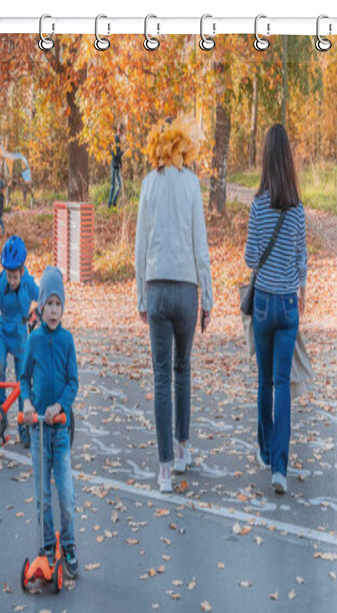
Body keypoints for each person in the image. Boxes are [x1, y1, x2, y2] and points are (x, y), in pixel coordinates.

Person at [134, 116, 213, 493]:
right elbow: (200, 244)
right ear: (183, 146)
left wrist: (140, 296)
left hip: (157, 287)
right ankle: (183, 448)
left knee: (161, 377)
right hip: (186, 289)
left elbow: (140, 248)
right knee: (183, 369)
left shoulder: (148, 184)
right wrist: (208, 297)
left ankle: (164, 469)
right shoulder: (193, 185)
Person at [244, 123, 308, 494]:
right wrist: (301, 292)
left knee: (264, 381)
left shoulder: (257, 207)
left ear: (266, 160)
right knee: (283, 383)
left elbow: (252, 258)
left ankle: (266, 451)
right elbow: (301, 259)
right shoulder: (297, 209)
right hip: (287, 303)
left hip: (264, 304)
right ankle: (280, 468)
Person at [21, 266, 79, 576]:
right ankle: (45, 544)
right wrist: (27, 402)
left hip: (59, 430)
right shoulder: (34, 340)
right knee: (42, 495)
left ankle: (67, 544)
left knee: (66, 494)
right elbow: (23, 378)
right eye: (49, 304)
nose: (53, 310)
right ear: (41, 306)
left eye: (58, 304)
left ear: (62, 307)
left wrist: (60, 405)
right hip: (38, 430)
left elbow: (73, 381)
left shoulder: (67, 340)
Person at [0, 235, 39, 448]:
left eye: (15, 276)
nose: (12, 281)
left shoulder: (29, 285)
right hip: (4, 333)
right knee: (0, 366)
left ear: (22, 270)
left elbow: (44, 299)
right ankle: (0, 413)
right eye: (9, 275)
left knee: (23, 383)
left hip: (21, 337)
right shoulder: (2, 283)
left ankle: (23, 424)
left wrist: (37, 316)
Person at [108, 122, 125, 208]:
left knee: (119, 186)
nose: (122, 135)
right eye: (121, 133)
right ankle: (109, 204)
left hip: (117, 166)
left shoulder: (118, 141)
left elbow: (119, 156)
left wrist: (121, 165)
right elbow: (115, 155)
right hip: (114, 165)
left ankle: (114, 201)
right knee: (113, 186)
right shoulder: (114, 139)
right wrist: (122, 153)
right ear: (119, 131)